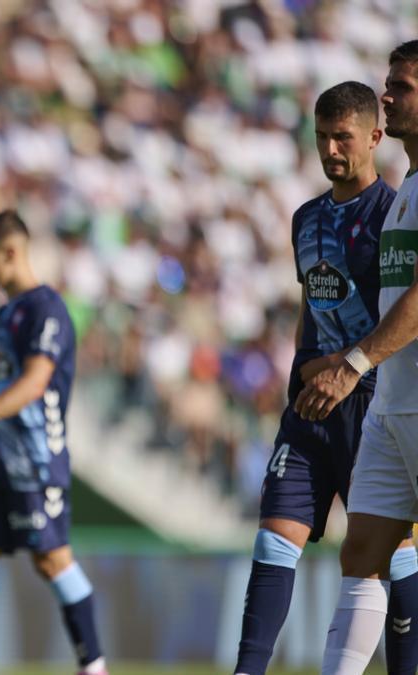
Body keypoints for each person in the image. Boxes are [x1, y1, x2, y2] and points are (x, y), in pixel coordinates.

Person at [234, 81, 418, 675]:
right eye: (321, 137)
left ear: (374, 137)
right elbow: (311, 306)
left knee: (392, 555)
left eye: (343, 137)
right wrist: (305, 364)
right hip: (309, 405)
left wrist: (350, 368)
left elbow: (397, 314)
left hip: (371, 402)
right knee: (273, 538)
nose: (331, 149)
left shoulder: (393, 212)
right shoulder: (305, 219)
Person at [0, 210, 106, 675]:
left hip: (35, 459)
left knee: (51, 562)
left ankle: (95, 667)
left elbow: (34, 384)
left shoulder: (46, 308)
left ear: (10, 252)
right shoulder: (2, 313)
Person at [298, 41, 418, 675]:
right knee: (364, 553)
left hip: (400, 395)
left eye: (403, 85)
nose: (390, 95)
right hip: (392, 407)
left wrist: (352, 364)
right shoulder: (407, 192)